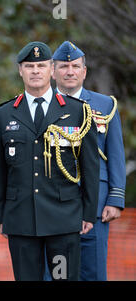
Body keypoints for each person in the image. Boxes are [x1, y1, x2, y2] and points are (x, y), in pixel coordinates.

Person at [0, 41, 99, 280]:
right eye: (29, 66)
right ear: (20, 70)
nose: (35, 71)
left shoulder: (77, 111)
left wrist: (89, 213)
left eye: (41, 65)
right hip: (21, 218)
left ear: (51, 69)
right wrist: (0, 216)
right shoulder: (3, 114)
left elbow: (89, 166)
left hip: (64, 218)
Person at [51, 41, 126, 281]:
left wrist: (115, 198)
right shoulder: (42, 105)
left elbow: (115, 154)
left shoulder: (105, 105)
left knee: (92, 272)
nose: (70, 71)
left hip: (96, 206)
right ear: (53, 72)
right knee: (54, 273)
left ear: (84, 71)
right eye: (64, 66)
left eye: (75, 66)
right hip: (52, 203)